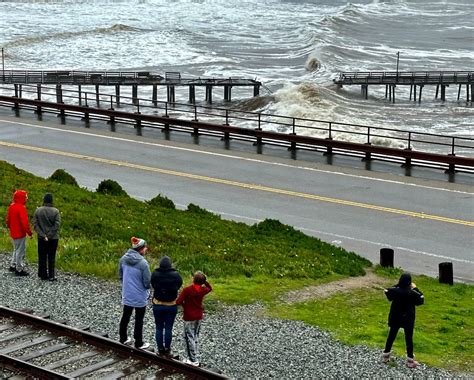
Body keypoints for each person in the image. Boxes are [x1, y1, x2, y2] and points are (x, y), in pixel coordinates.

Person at [382, 272, 424, 368]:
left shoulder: (395, 291)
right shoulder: (412, 293)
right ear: (410, 282)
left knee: (391, 335)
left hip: (395, 317)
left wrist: (398, 285)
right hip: (407, 318)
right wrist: (415, 288)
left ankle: (386, 355)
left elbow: (387, 291)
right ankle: (410, 361)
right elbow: (421, 299)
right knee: (409, 338)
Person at [119, 236, 151, 350]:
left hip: (127, 293)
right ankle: (139, 342)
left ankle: (123, 338)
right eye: (145, 247)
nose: (146, 249)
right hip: (140, 296)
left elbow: (121, 276)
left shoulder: (123, 259)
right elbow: (147, 282)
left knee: (125, 316)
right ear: (141, 249)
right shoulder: (143, 263)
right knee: (139, 319)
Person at [176, 271, 212, 367]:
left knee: (189, 337)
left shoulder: (187, 290)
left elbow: (178, 301)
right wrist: (205, 281)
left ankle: (193, 359)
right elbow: (210, 288)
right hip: (199, 316)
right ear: (202, 282)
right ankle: (195, 354)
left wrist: (185, 305)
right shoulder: (203, 290)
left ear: (193, 280)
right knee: (195, 336)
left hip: (189, 317)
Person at [151, 255, 183, 357]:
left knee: (159, 328)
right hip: (171, 305)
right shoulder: (175, 275)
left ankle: (160, 349)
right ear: (170, 265)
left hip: (158, 304)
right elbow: (179, 285)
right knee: (168, 328)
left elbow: (152, 284)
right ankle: (167, 349)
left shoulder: (155, 274)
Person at [33, 193, 61, 281]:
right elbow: (57, 225)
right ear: (51, 201)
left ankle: (42, 274)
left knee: (42, 256)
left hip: (41, 238)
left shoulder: (38, 211)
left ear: (44, 200)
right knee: (51, 257)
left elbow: (35, 224)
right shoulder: (56, 211)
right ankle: (51, 275)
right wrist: (49, 235)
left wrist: (43, 235)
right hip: (53, 238)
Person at [6, 190, 33, 276]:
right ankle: (19, 269)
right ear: (22, 198)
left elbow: (8, 221)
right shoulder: (21, 208)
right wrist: (29, 233)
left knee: (15, 249)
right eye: (26, 197)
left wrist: (11, 228)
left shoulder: (11, 206)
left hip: (13, 232)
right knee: (20, 251)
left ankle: (13, 265)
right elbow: (25, 223)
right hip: (20, 233)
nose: (27, 198)